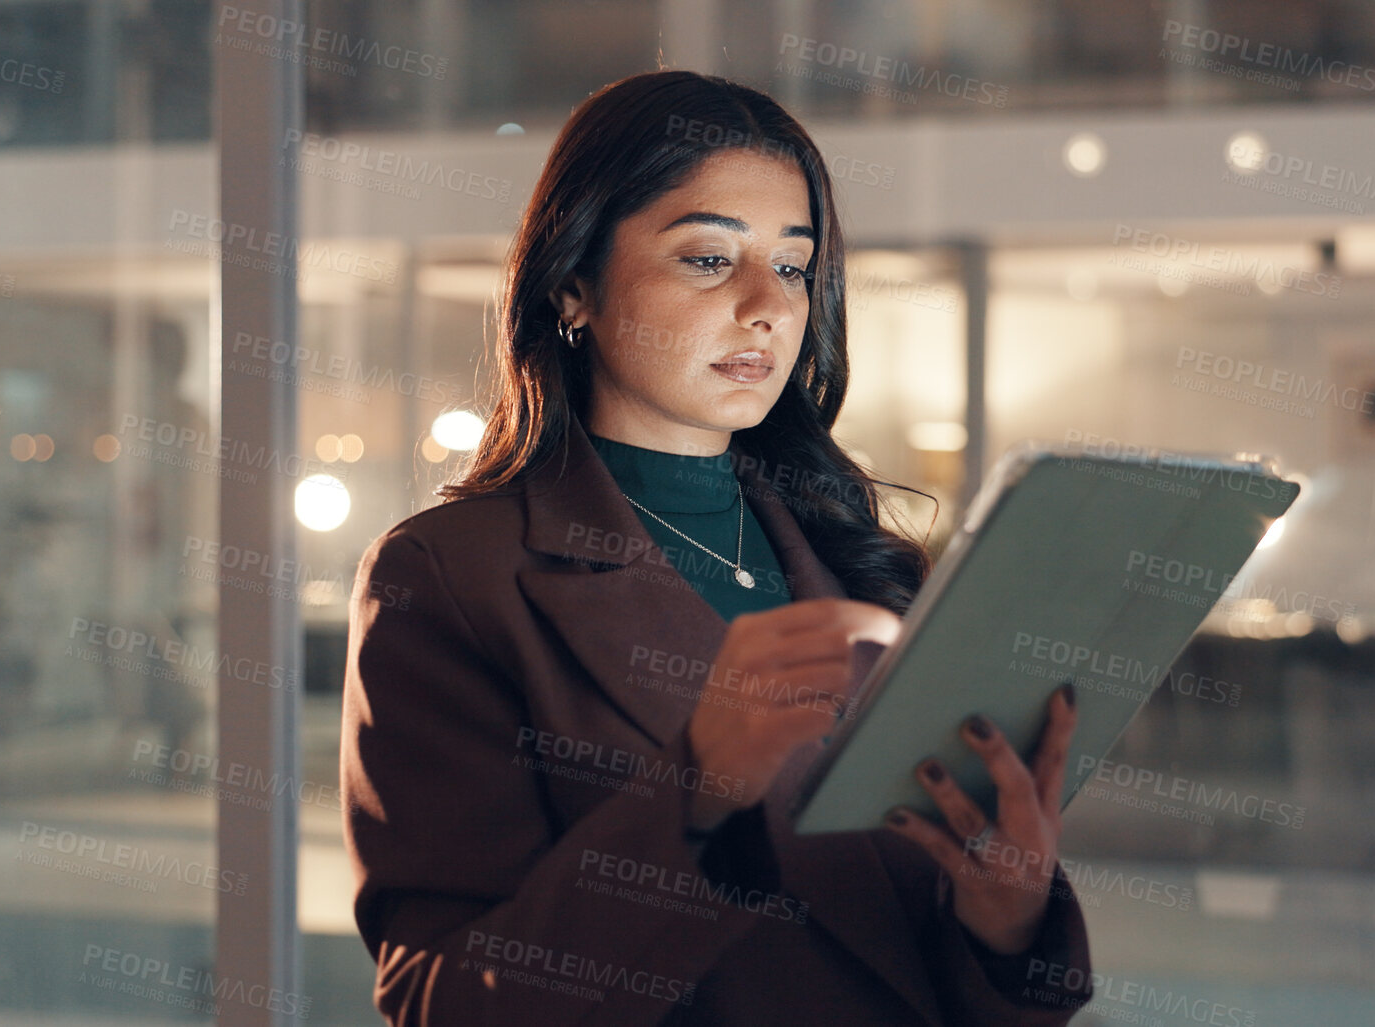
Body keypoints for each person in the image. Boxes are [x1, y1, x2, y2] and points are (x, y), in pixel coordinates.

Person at [340, 69, 1094, 1026]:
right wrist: (692, 793)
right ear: (573, 283)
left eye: (790, 264)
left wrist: (1005, 921)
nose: (767, 306)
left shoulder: (869, 562)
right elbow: (440, 1003)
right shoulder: (450, 577)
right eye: (706, 258)